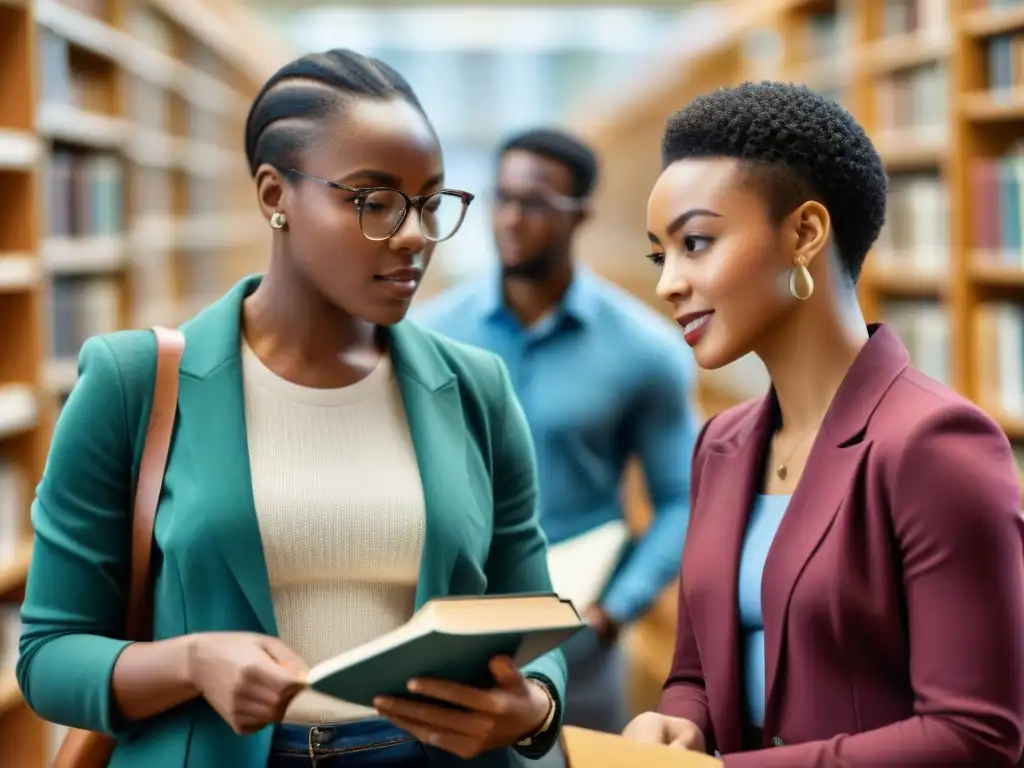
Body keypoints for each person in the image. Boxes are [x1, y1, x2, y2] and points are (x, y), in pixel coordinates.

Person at [17, 49, 567, 768]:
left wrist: (534, 708)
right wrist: (191, 662)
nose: (414, 236)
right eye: (373, 201)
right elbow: (49, 655)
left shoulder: (475, 388)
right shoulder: (133, 382)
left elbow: (534, 612)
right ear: (275, 194)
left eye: (430, 203)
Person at [621, 80, 1024, 767]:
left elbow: (977, 735)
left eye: (696, 243)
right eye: (663, 256)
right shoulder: (721, 444)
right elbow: (696, 670)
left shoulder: (936, 446)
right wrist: (676, 724)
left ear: (805, 233)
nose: (668, 284)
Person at [412, 128, 700, 736]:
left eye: (536, 203)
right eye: (502, 199)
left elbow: (682, 498)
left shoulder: (644, 350)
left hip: (578, 649)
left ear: (582, 216)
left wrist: (615, 612)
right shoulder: (429, 336)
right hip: (445, 633)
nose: (512, 219)